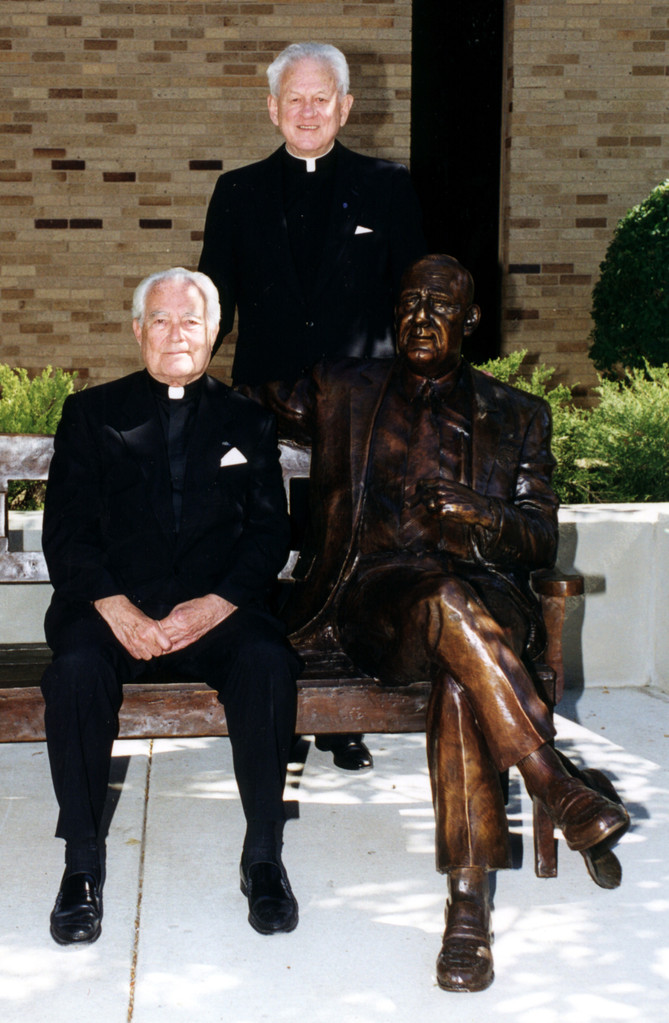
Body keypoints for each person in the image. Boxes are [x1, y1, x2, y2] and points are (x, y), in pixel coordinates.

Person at [245, 254, 630, 992]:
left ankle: (467, 904)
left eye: (438, 307)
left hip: (486, 603)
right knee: (445, 612)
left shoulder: (517, 414)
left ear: (470, 322)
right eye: (408, 304)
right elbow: (235, 400)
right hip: (372, 608)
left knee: (460, 665)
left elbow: (539, 539)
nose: (420, 318)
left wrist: (481, 513)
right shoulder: (342, 387)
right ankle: (548, 782)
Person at [40, 268, 301, 947]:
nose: (175, 333)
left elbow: (269, 531)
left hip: (213, 613)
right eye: (160, 319)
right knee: (73, 672)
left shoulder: (248, 420)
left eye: (191, 320)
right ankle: (81, 866)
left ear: (215, 332)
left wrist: (214, 607)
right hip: (110, 610)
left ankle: (264, 855)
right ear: (137, 331)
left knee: (267, 659)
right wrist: (115, 607)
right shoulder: (92, 415)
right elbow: (65, 532)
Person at [198, 41, 427, 771]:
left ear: (345, 107)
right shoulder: (235, 192)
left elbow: (412, 304)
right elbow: (214, 301)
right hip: (263, 401)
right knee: (264, 550)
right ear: (271, 108)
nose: (305, 111)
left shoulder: (389, 187)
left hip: (360, 416)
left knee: (348, 551)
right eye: (292, 99)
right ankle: (273, 703)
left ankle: (342, 712)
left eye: (320, 99)